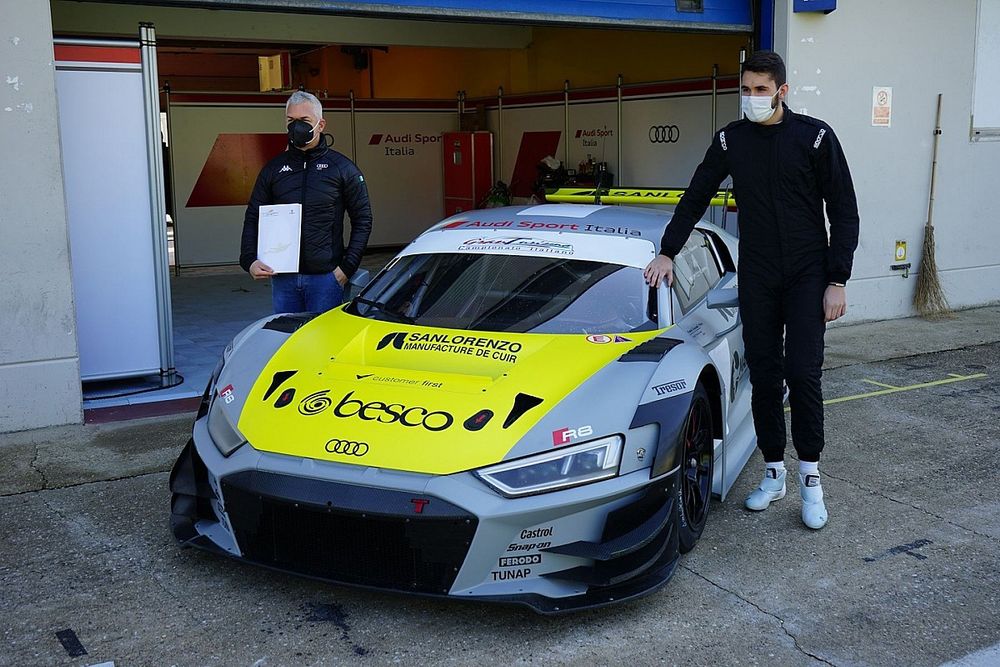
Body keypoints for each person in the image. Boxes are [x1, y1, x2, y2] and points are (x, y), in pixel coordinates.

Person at [644, 51, 860, 530]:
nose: (752, 98)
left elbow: (844, 211)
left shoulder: (815, 137)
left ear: (782, 91)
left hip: (808, 274)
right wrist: (667, 251)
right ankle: (774, 472)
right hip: (758, 273)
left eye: (761, 90)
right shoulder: (731, 141)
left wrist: (837, 279)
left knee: (802, 373)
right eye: (746, 89)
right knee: (764, 377)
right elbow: (696, 193)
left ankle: (810, 479)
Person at [240, 90, 373, 313]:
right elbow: (254, 215)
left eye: (304, 120)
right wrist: (249, 260)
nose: (296, 127)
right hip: (283, 280)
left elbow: (363, 219)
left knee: (323, 344)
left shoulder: (342, 168)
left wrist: (346, 268)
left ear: (321, 125)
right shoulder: (273, 169)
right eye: (291, 120)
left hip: (326, 279)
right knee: (287, 341)